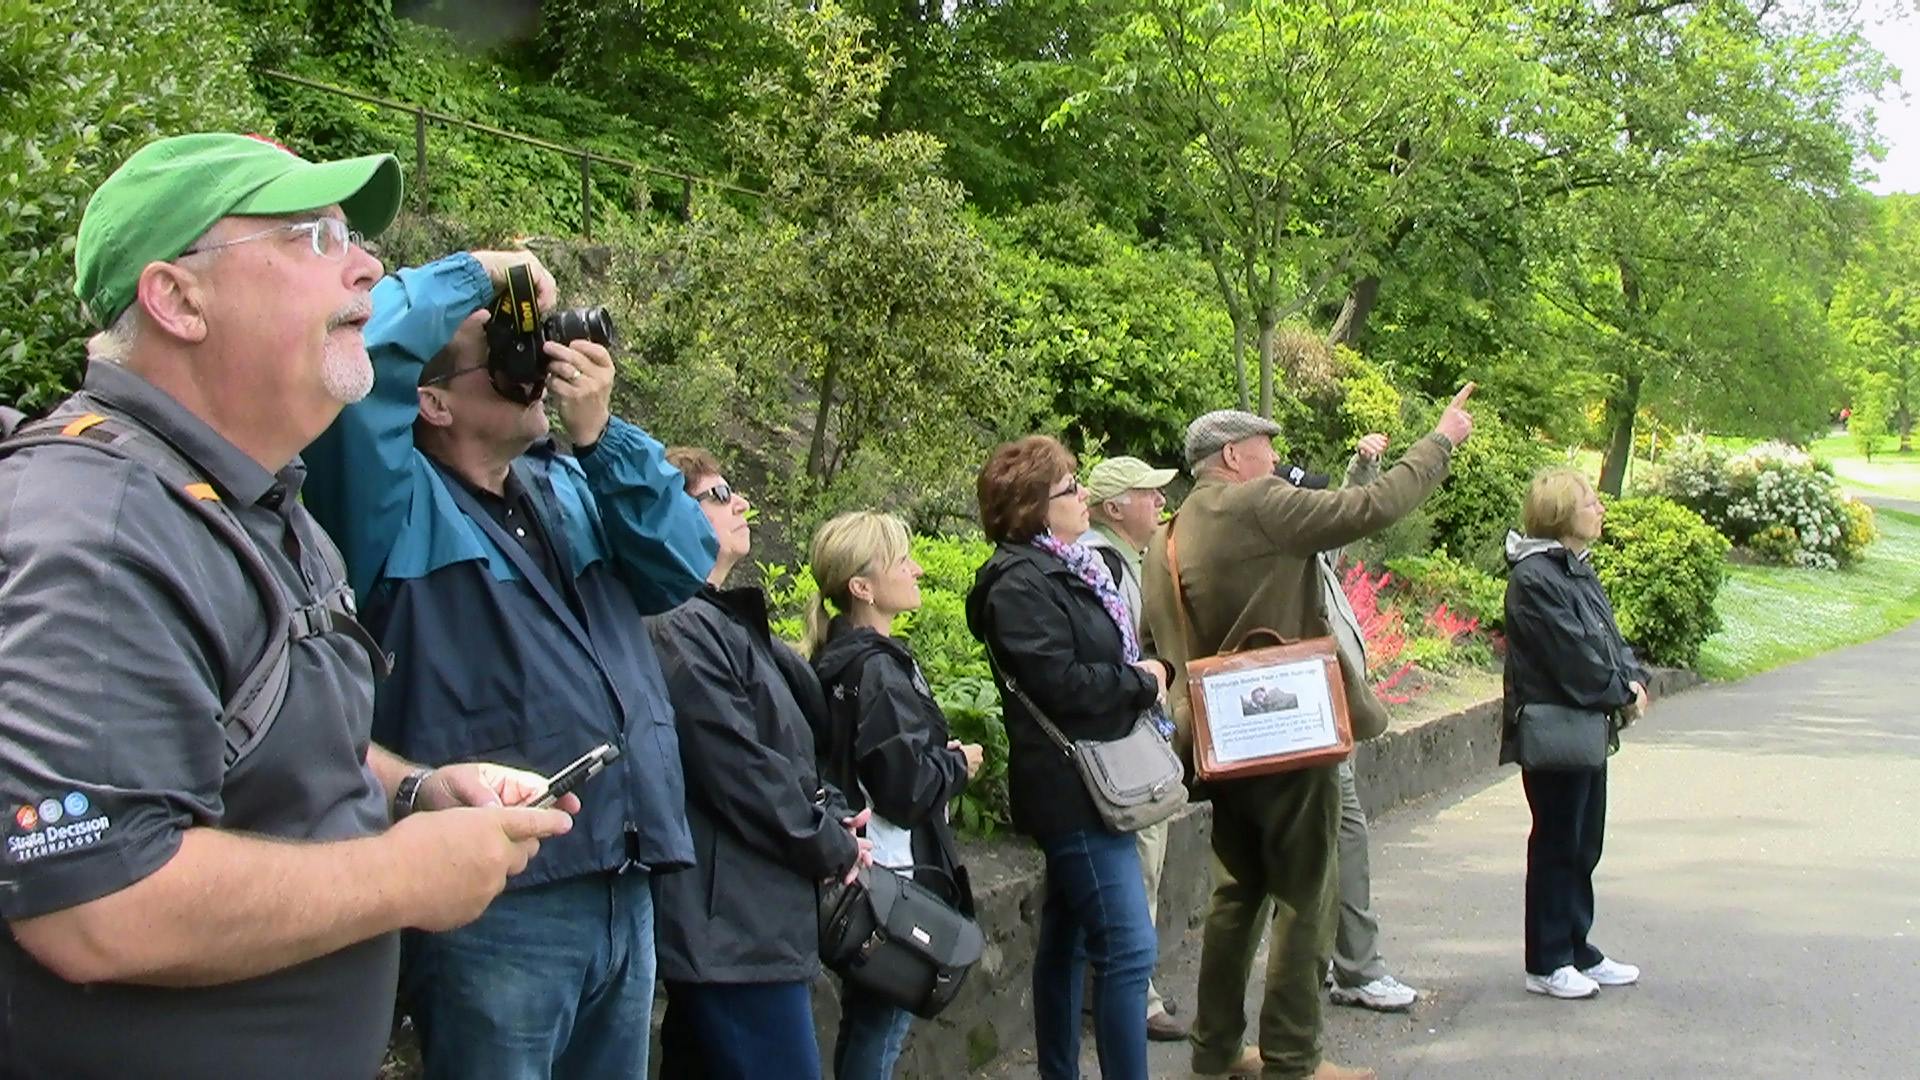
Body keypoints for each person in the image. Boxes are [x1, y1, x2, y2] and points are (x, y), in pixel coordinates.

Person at [0, 132, 574, 1080]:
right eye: (313, 237)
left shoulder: (254, 501)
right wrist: (404, 875)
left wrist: (414, 790)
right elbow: (93, 906)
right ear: (178, 299)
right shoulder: (94, 530)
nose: (367, 265)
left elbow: (253, 736)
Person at [299, 243, 717, 1078]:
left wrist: (601, 436)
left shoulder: (567, 486)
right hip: (496, 893)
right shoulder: (389, 505)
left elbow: (683, 563)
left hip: (620, 865)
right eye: (500, 353)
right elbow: (368, 349)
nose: (528, 363)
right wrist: (489, 272)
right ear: (432, 403)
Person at [1140, 392, 1475, 1080]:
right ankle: (1293, 1058)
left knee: (1235, 897)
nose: (1277, 460)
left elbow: (1158, 643)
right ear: (1233, 456)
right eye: (1267, 448)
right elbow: (1372, 506)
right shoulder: (1258, 505)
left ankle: (1218, 1052)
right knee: (1304, 895)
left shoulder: (1166, 538)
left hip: (1219, 742)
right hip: (1287, 734)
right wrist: (1439, 440)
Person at [648, 448, 872, 1080]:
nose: (742, 502)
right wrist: (830, 843)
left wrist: (830, 816)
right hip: (732, 925)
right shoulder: (677, 627)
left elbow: (784, 754)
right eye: (718, 496)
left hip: (746, 915)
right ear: (670, 515)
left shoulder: (721, 621)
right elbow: (739, 768)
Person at [965, 435, 1167, 1080]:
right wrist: (1144, 680)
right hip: (1073, 787)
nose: (1084, 496)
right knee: (1128, 950)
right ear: (1032, 508)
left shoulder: (1069, 564)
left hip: (1088, 773)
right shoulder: (1017, 584)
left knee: (1069, 940)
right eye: (1070, 488)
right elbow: (1064, 685)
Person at [805, 510, 985, 1079]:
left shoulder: (834, 660)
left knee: (871, 1020)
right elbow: (904, 789)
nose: (918, 568)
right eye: (901, 561)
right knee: (881, 1025)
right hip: (890, 878)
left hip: (859, 869)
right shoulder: (877, 670)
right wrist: (957, 764)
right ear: (863, 587)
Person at [1502, 468, 1647, 1000]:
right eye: (1589, 502)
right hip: (1556, 726)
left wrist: (1633, 678)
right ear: (1563, 513)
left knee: (1584, 842)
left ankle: (1576, 945)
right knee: (1557, 842)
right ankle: (1546, 959)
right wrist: (1620, 691)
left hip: (1585, 726)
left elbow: (1608, 638)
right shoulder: (1535, 577)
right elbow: (1571, 657)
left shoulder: (1574, 570)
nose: (1600, 508)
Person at [1080, 454, 1192, 1043]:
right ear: (1115, 505)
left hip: (1124, 736)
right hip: (1129, 742)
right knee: (1141, 866)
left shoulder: (1112, 558)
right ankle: (1135, 997)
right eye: (1149, 494)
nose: (1160, 503)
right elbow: (1123, 654)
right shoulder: (1107, 563)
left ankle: (1124, 989)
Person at [1312, 438, 1422, 1015]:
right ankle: (1353, 967)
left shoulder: (1313, 555)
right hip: (1316, 725)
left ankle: (1339, 963)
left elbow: (1349, 515)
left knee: (1333, 843)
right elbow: (1355, 514)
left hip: (1333, 722)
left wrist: (1362, 468)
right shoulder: (1289, 563)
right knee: (1341, 840)